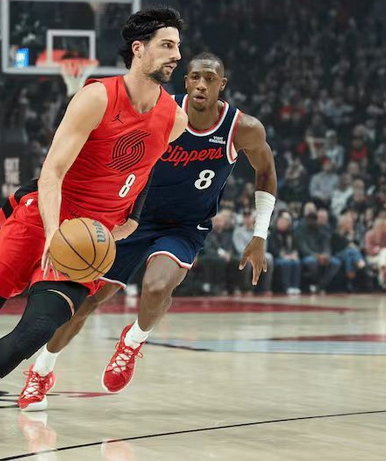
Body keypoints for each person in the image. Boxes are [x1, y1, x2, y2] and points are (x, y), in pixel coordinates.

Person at [0, 7, 188, 449]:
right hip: (39, 217)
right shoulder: (97, 98)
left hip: (88, 242)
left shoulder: (174, 118)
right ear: (138, 49)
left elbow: (145, 171)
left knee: (37, 330)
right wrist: (53, 231)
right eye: (167, 45)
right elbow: (52, 172)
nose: (177, 55)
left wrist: (131, 221)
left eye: (178, 46)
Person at [20, 52, 276, 410]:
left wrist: (260, 234)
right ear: (185, 81)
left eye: (209, 79)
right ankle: (42, 370)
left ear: (222, 85)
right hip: (133, 217)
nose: (201, 85)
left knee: (157, 287)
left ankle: (132, 342)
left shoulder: (243, 128)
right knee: (86, 301)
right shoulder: (163, 111)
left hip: (185, 227)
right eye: (195, 77)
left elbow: (266, 172)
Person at [294, 212, 341, 293]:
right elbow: (304, 248)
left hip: (322, 255)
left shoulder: (322, 231)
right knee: (311, 262)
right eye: (310, 219)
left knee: (336, 262)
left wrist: (326, 255)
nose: (312, 222)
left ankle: (320, 285)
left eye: (314, 219)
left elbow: (326, 245)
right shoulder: (301, 231)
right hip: (308, 256)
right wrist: (317, 256)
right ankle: (314, 284)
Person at [267, 213, 301, 294]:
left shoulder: (290, 234)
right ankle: (286, 287)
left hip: (289, 256)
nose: (282, 223)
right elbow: (272, 249)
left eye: (284, 222)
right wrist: (284, 256)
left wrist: (294, 254)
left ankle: (295, 286)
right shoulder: (273, 233)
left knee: (297, 262)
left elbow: (295, 247)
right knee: (286, 263)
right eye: (281, 221)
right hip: (277, 257)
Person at [364, 218, 386, 289]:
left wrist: (381, 250)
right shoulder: (369, 234)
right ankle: (385, 275)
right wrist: (376, 251)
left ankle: (382, 271)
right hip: (373, 257)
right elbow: (368, 250)